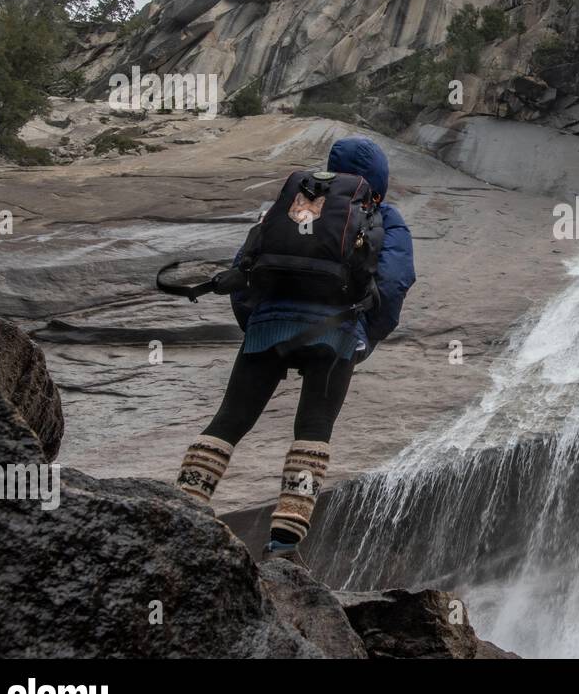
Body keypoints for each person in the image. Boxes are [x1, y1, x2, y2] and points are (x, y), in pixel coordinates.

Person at [175, 136, 415, 564]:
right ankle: (284, 543)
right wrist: (364, 339)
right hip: (335, 334)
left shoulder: (295, 200)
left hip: (268, 327)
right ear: (379, 179)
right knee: (312, 431)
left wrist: (256, 325)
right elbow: (395, 282)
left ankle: (184, 508)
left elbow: (242, 267)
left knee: (228, 421)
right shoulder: (383, 215)